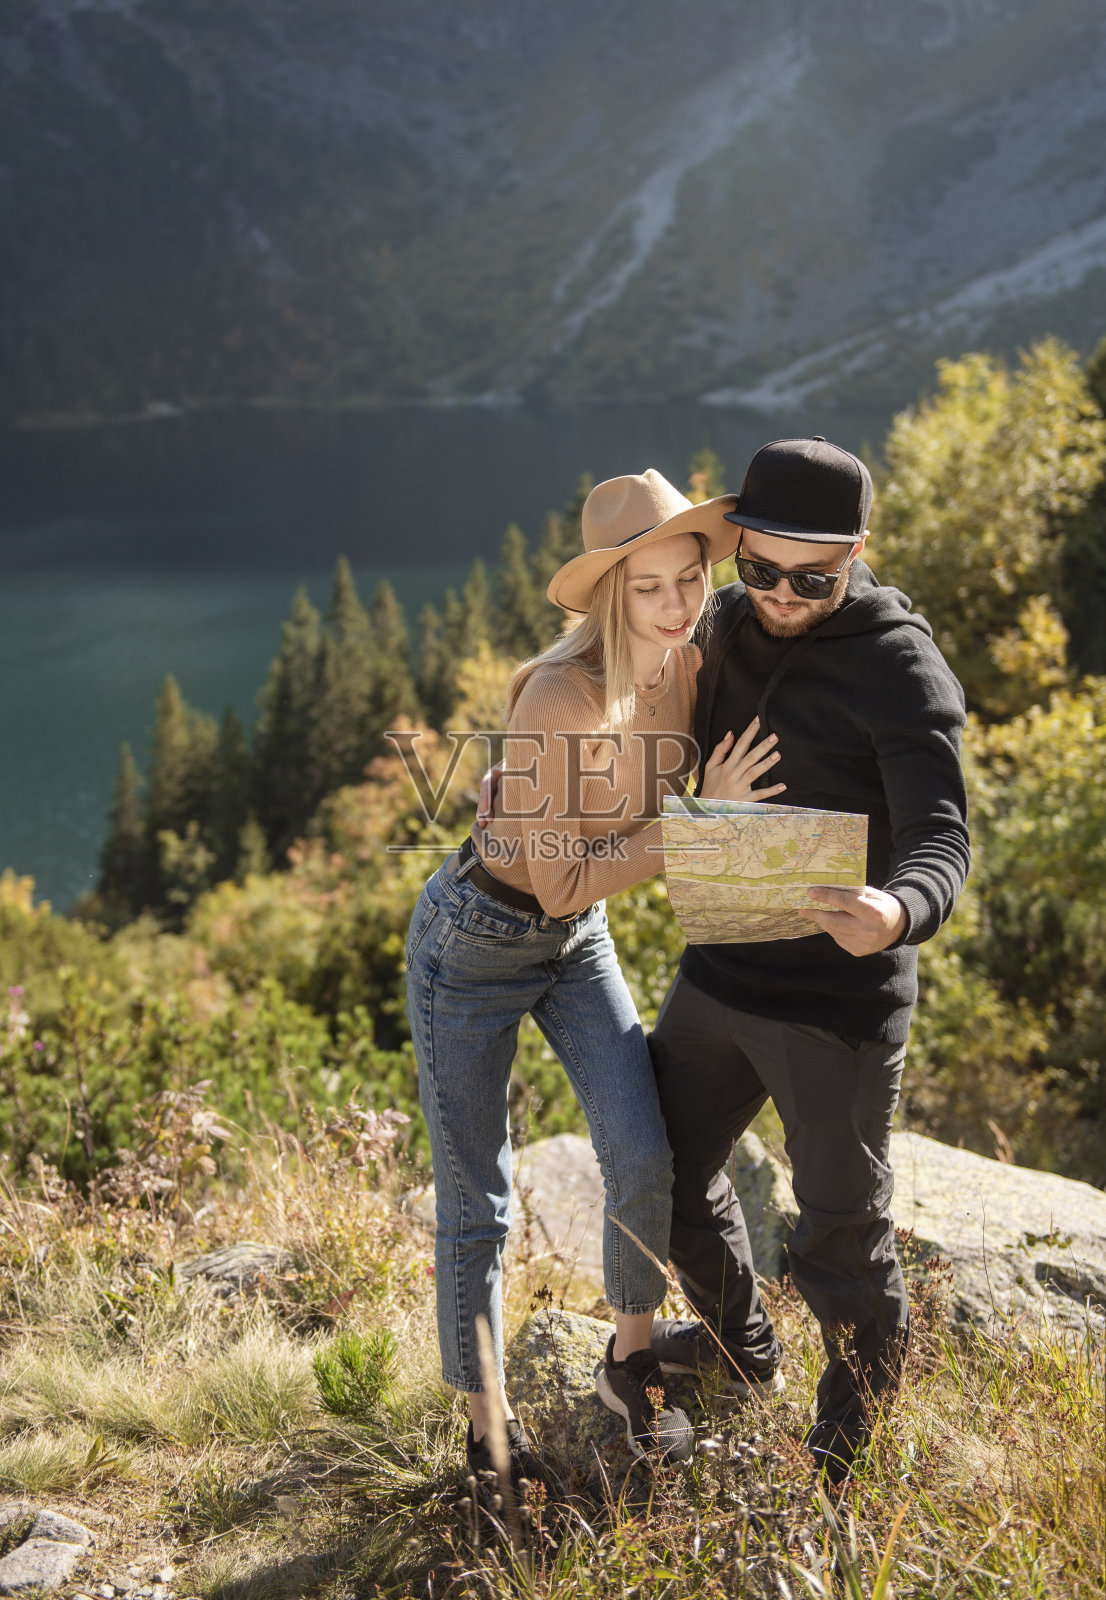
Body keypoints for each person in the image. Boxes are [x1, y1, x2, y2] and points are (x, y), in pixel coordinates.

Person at [405, 468, 784, 1488]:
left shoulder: (689, 661)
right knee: (477, 1197)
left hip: (577, 944)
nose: (674, 606)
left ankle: (628, 1360)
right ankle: (486, 1435)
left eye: (687, 580)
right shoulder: (554, 696)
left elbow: (798, 601)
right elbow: (558, 874)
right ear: (610, 594)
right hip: (475, 945)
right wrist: (690, 824)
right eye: (648, 588)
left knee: (643, 1150)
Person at [645, 435, 971, 1487]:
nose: (780, 595)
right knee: (654, 1172)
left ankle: (847, 1448)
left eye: (812, 578)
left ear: (857, 553)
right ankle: (742, 1352)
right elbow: (652, 747)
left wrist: (895, 907)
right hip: (719, 969)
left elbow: (942, 840)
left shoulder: (897, 665)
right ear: (737, 547)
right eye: (759, 569)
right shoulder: (727, 621)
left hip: (836, 1000)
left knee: (836, 1232)